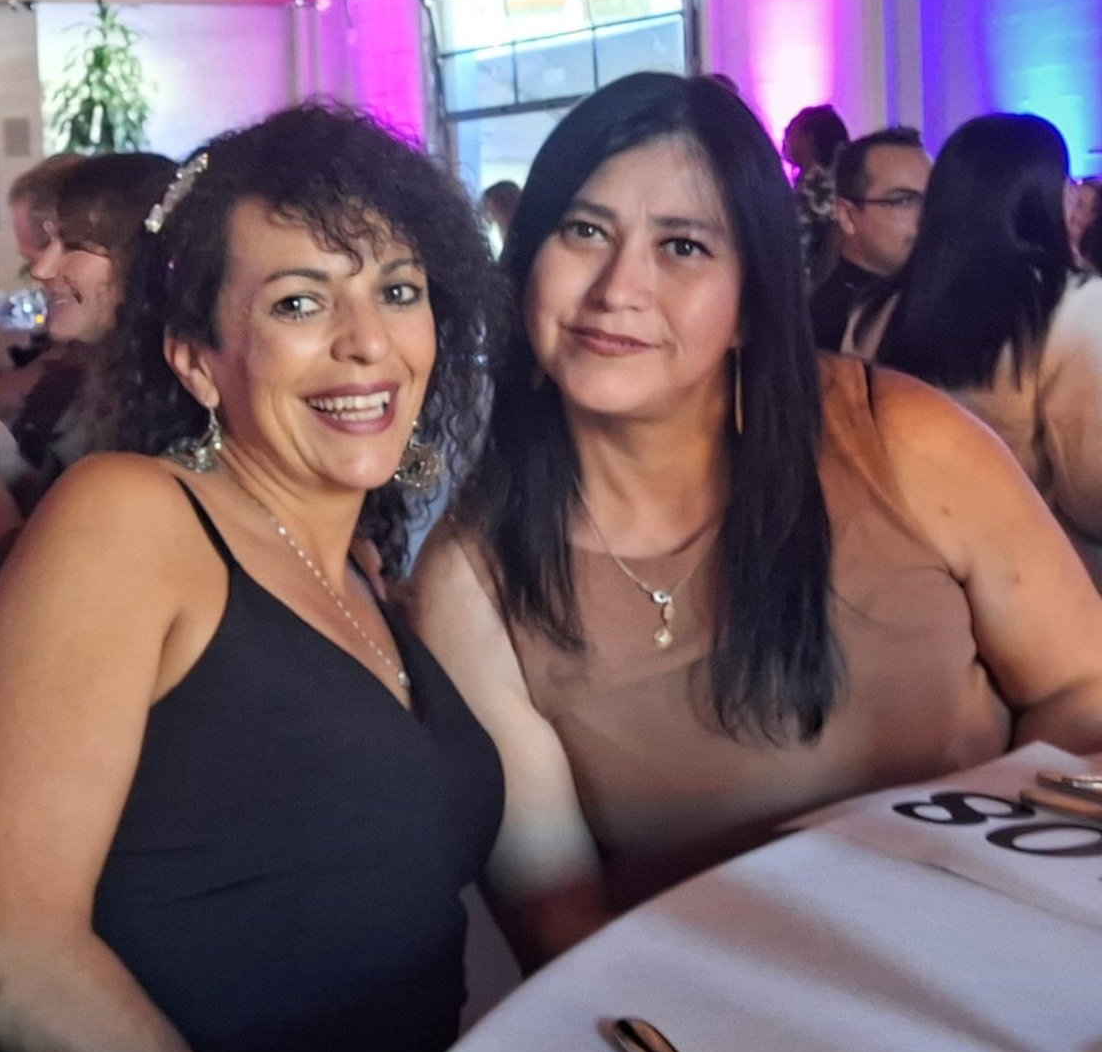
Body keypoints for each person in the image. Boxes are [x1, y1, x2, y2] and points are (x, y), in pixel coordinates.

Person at [407, 72, 1102, 973]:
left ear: (749, 305)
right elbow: (563, 927)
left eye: (683, 246)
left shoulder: (901, 442)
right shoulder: (475, 580)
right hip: (729, 1011)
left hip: (1011, 950)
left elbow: (1082, 685)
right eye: (584, 231)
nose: (619, 288)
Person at [0, 103, 504, 1052]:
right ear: (197, 360)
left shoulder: (360, 569)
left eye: (397, 290)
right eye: (300, 302)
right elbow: (2, 957)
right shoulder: (130, 517)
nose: (367, 342)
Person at [847, 113, 1102, 588]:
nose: (1077, 195)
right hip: (1041, 581)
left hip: (912, 569)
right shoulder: (1072, 306)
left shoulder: (876, 311)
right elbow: (1092, 492)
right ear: (1037, 195)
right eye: (1066, 180)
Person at [0, 151, 176, 550]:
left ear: (139, 260)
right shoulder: (114, 379)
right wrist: (4, 463)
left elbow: (61, 578)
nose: (41, 270)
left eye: (72, 245)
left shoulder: (169, 406)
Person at [809, 126, 930, 350]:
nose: (926, 217)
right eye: (903, 201)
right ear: (847, 216)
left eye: (932, 199)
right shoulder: (831, 323)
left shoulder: (924, 299)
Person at [782, 103, 849, 287]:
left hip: (811, 288)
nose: (785, 138)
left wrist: (823, 289)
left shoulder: (819, 184)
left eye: (791, 131)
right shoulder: (812, 181)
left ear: (809, 137)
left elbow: (835, 238)